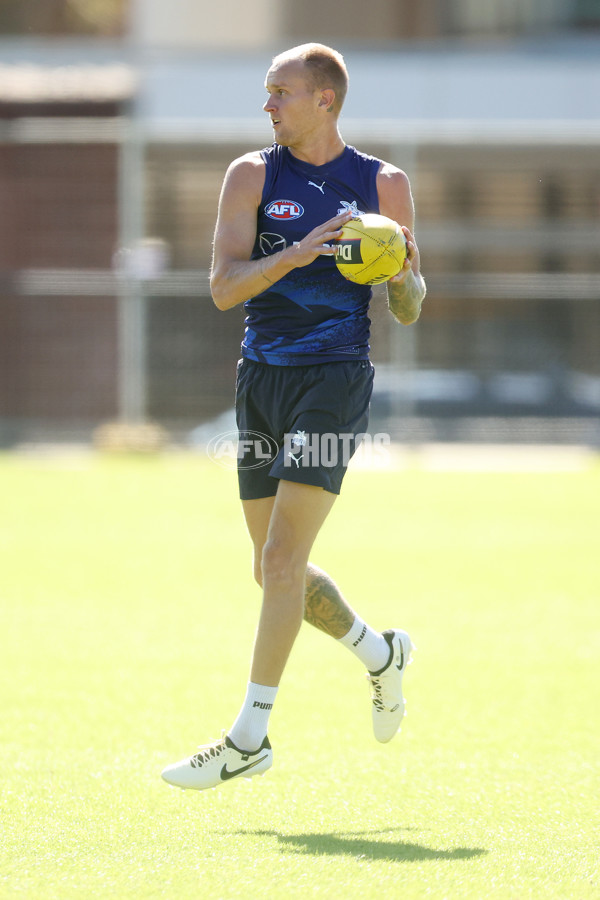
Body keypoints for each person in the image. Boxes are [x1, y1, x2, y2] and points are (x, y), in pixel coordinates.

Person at [162, 42, 426, 790]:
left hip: (334, 381)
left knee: (280, 563)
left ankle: (250, 736)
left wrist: (403, 271)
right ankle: (382, 654)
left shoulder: (383, 184)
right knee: (273, 570)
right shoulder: (252, 174)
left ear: (325, 101)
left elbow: (409, 308)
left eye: (281, 92)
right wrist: (298, 253)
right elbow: (223, 288)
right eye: (267, 92)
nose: (268, 105)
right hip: (262, 379)